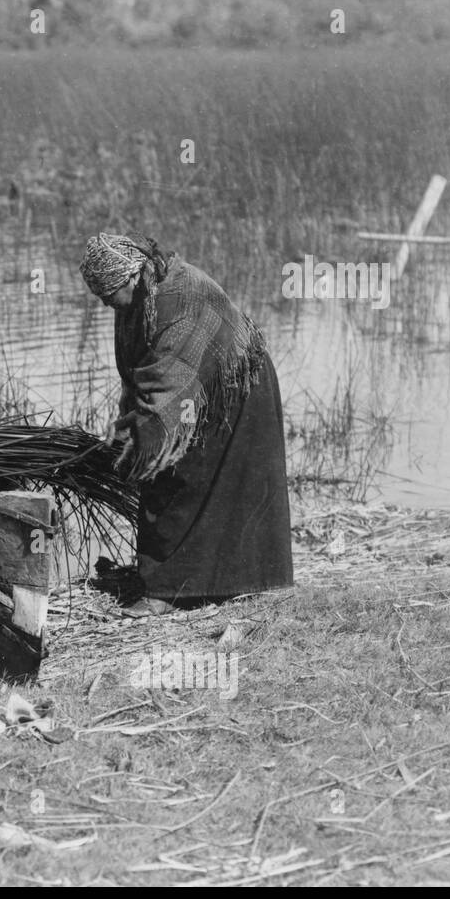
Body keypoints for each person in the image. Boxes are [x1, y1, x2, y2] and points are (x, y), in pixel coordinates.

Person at [80, 232, 293, 617]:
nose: (107, 304)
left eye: (109, 294)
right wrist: (125, 423)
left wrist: (133, 438)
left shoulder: (178, 299)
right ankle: (190, 582)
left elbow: (166, 393)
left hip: (237, 385)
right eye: (100, 298)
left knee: (184, 478)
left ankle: (168, 590)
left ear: (130, 277)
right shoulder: (135, 301)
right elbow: (141, 375)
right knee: (177, 478)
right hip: (198, 386)